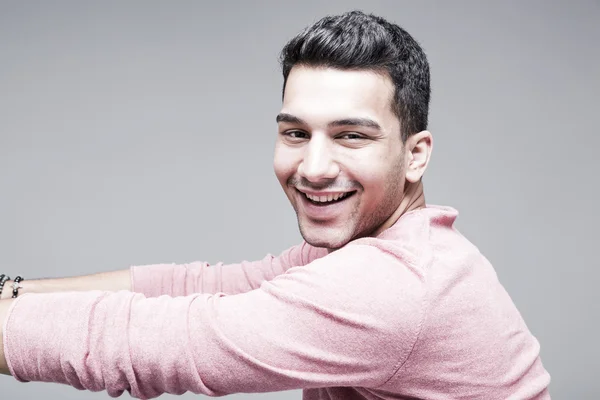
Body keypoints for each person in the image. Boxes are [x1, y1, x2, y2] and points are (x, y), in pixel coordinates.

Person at [0, 10, 551, 400]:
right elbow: (199, 287)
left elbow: (154, 343)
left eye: (351, 136)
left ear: (415, 155)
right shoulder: (388, 248)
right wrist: (12, 291)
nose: (312, 167)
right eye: (295, 133)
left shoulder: (397, 286)